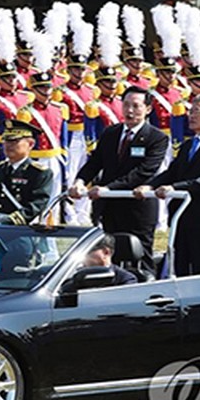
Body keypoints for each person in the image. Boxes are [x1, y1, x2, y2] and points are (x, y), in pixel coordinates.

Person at [71, 86, 169, 273]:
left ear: (148, 109)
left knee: (140, 254)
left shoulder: (156, 138)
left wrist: (109, 188)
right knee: (110, 252)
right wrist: (80, 181)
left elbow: (144, 172)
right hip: (109, 206)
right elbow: (95, 162)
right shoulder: (111, 133)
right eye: (126, 105)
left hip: (137, 207)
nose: (130, 111)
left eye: (136, 106)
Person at [141, 95, 200, 277]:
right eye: (190, 111)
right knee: (181, 269)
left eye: (197, 112)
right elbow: (172, 172)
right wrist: (150, 186)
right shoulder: (187, 146)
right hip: (182, 217)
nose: (190, 116)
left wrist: (175, 188)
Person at [0, 118, 53, 224]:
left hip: (22, 229)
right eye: (6, 140)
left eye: (15, 141)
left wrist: (11, 221)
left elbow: (37, 204)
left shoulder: (39, 173)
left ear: (30, 144)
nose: (8, 145)